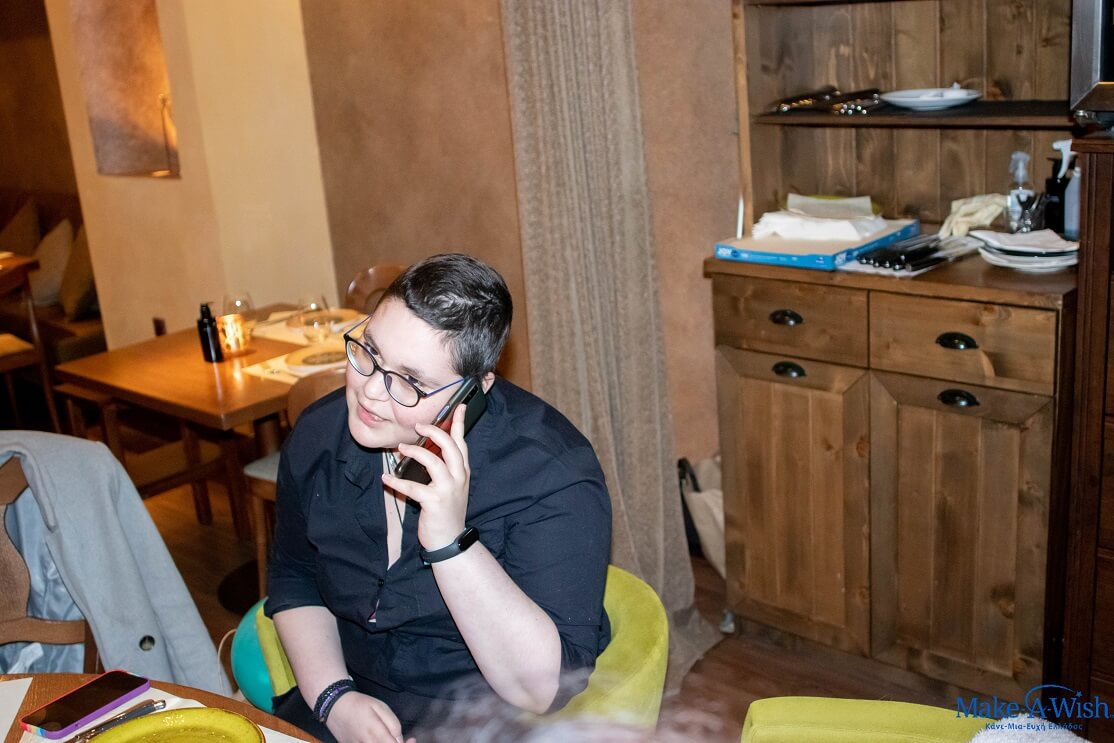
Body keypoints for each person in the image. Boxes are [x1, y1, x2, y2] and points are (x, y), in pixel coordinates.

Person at [266, 253, 612, 743]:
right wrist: (333, 699)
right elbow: (294, 576)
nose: (370, 391)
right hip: (347, 694)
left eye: (410, 382)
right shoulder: (320, 433)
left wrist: (451, 542)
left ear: (474, 390)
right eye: (369, 352)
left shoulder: (552, 473)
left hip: (484, 718)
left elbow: (541, 691)